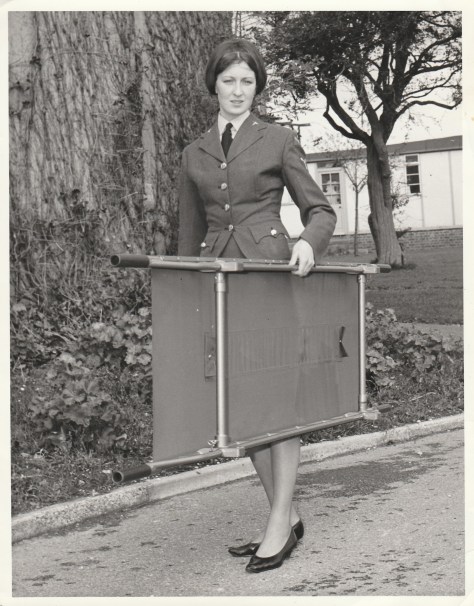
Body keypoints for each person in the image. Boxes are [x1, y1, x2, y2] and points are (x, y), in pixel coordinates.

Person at [178, 39, 336, 573]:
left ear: (257, 86)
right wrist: (188, 299)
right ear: (214, 85)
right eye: (229, 80)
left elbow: (320, 209)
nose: (238, 90)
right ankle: (285, 515)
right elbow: (188, 235)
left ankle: (277, 525)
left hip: (270, 282)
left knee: (277, 403)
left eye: (247, 81)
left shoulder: (278, 139)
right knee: (242, 407)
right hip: (218, 285)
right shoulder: (193, 152)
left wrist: (308, 243)